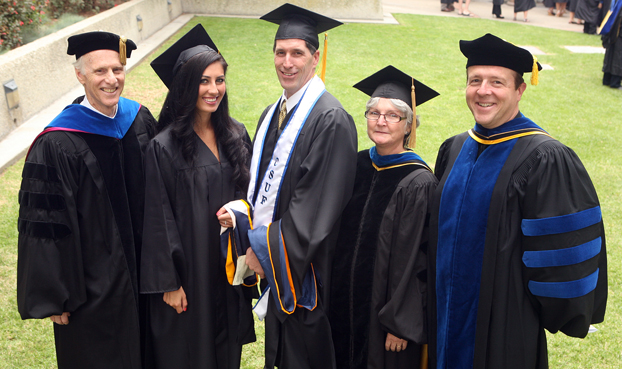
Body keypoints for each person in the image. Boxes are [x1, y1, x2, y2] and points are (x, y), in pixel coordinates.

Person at [427, 33, 608, 369]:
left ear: (520, 90)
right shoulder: (453, 149)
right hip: (445, 314)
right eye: (475, 80)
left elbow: (563, 250)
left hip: (506, 325)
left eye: (497, 82)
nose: (483, 91)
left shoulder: (545, 157)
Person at [218, 4, 358, 369]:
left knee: (305, 357)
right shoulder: (273, 113)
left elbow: (314, 207)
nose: (287, 62)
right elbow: (264, 187)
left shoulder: (330, 120)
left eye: (297, 53)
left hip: (308, 275)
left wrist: (263, 251)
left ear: (315, 58)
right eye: (280, 52)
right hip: (280, 270)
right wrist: (242, 219)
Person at [16, 31, 156, 368]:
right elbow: (46, 226)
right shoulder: (58, 143)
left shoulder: (140, 120)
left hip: (149, 278)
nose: (111, 80)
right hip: (93, 292)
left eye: (117, 70)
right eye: (99, 71)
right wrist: (55, 296)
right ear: (79, 75)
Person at [139, 24, 256, 369]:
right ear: (185, 86)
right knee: (188, 353)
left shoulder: (236, 135)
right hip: (188, 275)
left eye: (219, 80)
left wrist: (238, 213)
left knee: (225, 351)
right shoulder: (163, 147)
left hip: (226, 266)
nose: (213, 89)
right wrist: (169, 283)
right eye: (203, 81)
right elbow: (157, 217)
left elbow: (248, 195)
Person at [329, 65, 439, 369]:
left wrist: (400, 323)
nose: (381, 121)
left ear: (409, 126)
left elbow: (417, 259)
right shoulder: (356, 164)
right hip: (340, 305)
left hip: (385, 321)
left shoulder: (418, 182)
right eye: (374, 113)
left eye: (393, 115)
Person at [601, 0, 622, 89]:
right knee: (618, 56)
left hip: (613, 30)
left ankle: (607, 79)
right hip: (619, 32)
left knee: (611, 54)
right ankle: (614, 82)